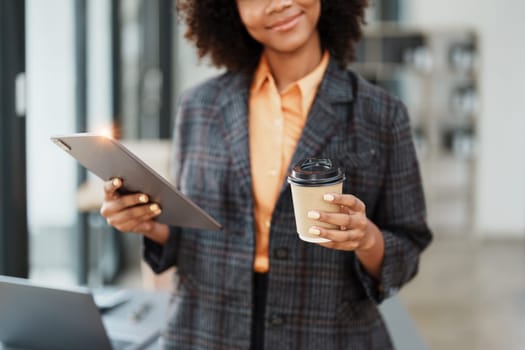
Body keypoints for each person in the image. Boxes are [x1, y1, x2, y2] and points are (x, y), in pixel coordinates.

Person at [100, 0, 433, 349]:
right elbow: (192, 234)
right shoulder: (199, 106)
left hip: (329, 334)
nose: (280, 3)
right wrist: (152, 226)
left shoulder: (381, 115)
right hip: (206, 329)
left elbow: (408, 244)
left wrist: (367, 239)